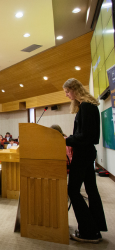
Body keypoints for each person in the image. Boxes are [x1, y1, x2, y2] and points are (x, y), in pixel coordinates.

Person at [63, 78, 107, 243]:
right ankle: (95, 228)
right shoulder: (87, 106)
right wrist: (70, 138)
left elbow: (87, 136)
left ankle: (88, 231)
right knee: (91, 190)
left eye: (68, 92)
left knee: (73, 190)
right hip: (87, 153)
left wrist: (66, 140)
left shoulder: (87, 107)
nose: (67, 95)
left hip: (83, 154)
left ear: (75, 89)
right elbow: (86, 135)